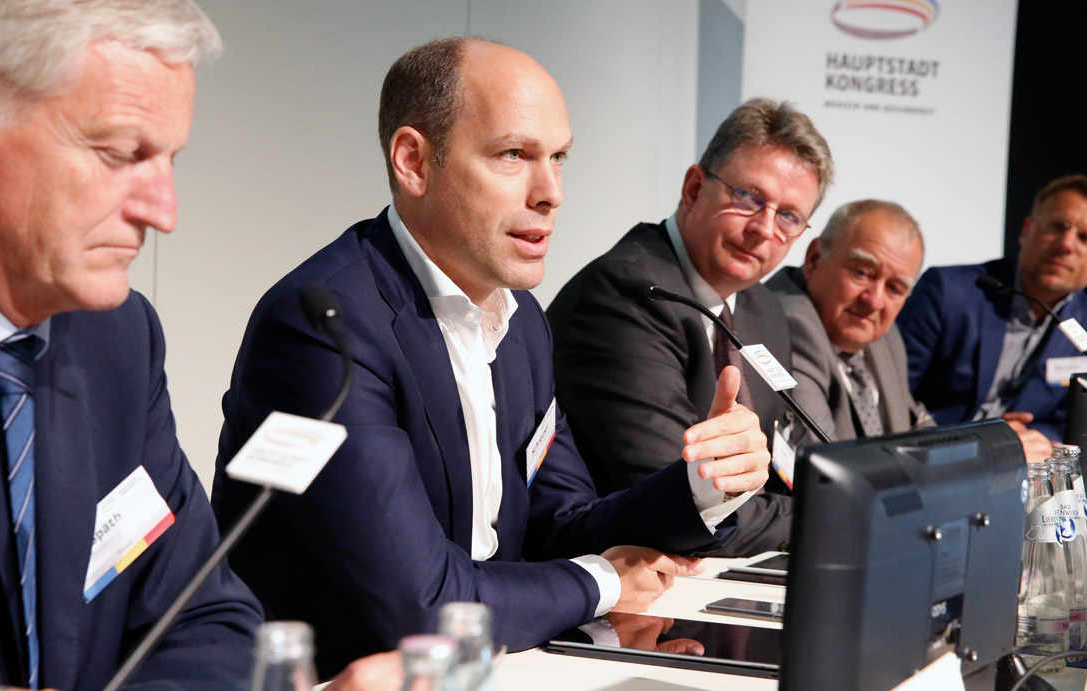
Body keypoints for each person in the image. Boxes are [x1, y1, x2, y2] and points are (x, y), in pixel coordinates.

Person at [211, 37, 771, 677]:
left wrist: (706, 483)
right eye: (514, 155)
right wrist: (606, 583)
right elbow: (422, 605)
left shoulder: (521, 319)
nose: (551, 192)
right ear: (414, 162)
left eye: (558, 158)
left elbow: (558, 523)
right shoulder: (323, 329)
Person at [0, 1, 264, 688]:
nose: (164, 212)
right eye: (121, 154)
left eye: (169, 159)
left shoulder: (118, 339)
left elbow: (205, 616)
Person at [546, 98, 833, 555]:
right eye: (748, 197)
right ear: (695, 188)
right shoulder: (624, 295)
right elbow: (679, 495)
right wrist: (827, 520)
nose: (764, 229)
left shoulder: (763, 308)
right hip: (620, 573)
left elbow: (777, 466)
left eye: (788, 217)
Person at [897, 174, 1087, 458]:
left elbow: (1078, 417)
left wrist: (1030, 438)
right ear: (1026, 231)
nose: (1066, 244)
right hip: (930, 455)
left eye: (1085, 238)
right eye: (1057, 226)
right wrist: (982, 441)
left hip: (1023, 464)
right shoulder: (948, 293)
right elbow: (892, 394)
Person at [765, 200, 932, 442]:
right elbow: (822, 456)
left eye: (894, 288)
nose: (874, 301)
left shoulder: (885, 335)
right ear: (814, 258)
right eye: (861, 273)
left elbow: (916, 423)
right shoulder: (787, 324)